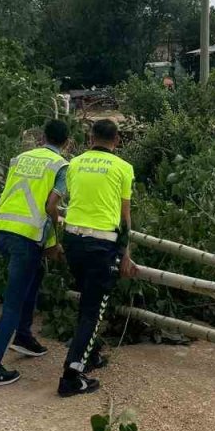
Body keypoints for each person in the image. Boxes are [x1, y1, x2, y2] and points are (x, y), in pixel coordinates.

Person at [0, 119, 71, 390]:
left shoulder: (20, 159)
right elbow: (51, 205)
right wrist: (53, 241)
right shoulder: (61, 166)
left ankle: (25, 336)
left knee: (35, 272)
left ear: (42, 136)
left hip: (2, 229)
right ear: (67, 142)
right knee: (12, 305)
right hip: (25, 238)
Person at [58, 118, 137, 397]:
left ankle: (89, 355)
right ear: (117, 140)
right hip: (102, 245)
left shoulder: (74, 164)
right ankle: (71, 375)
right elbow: (124, 215)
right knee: (93, 309)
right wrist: (126, 253)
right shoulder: (123, 168)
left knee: (86, 300)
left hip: (73, 240)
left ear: (90, 138)